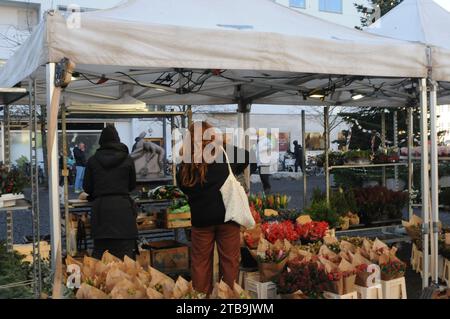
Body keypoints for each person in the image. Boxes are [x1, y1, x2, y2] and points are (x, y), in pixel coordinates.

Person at [177, 122, 250, 295]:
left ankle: (201, 298)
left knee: (200, 264)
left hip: (201, 221)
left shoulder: (186, 163)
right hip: (227, 217)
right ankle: (228, 297)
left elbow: (184, 187)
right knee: (229, 263)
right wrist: (221, 142)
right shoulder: (223, 154)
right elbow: (246, 156)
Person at [83, 125, 138, 260]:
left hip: (101, 213)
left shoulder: (93, 160)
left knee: (102, 261)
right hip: (123, 212)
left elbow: (87, 187)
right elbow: (132, 185)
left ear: (101, 141)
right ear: (117, 139)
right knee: (126, 261)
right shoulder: (127, 159)